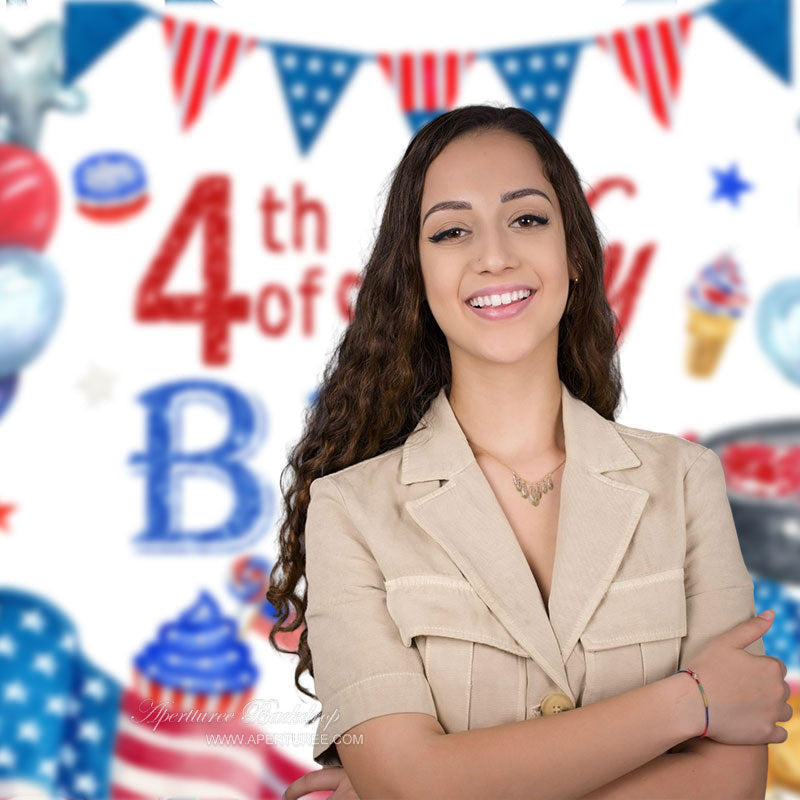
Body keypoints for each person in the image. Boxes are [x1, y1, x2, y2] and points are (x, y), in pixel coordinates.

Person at [267, 103, 792, 800]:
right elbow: (410, 784)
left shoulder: (686, 483)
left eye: (527, 218)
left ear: (572, 250)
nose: (494, 256)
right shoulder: (349, 512)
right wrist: (689, 703)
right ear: (416, 276)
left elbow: (729, 787)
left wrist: (432, 786)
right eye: (452, 231)